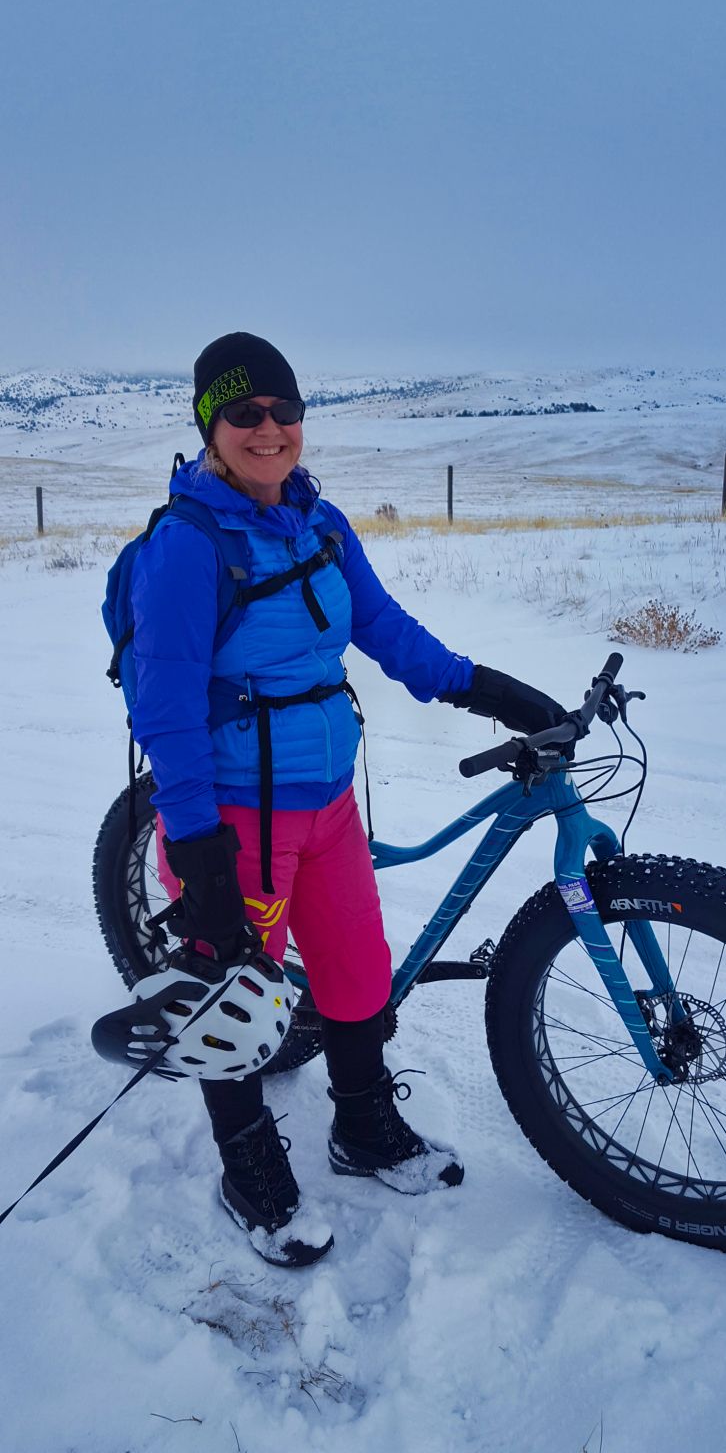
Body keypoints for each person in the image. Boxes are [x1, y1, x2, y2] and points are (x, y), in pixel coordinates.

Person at [129, 332, 566, 1268]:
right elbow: (162, 705)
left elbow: (389, 633)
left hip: (327, 806)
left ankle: (363, 1132)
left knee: (360, 978)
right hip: (239, 818)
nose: (270, 430)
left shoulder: (320, 526)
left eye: (284, 411)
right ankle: (248, 1168)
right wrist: (197, 846)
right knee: (238, 1002)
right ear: (210, 424)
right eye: (244, 413)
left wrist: (497, 691)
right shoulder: (187, 544)